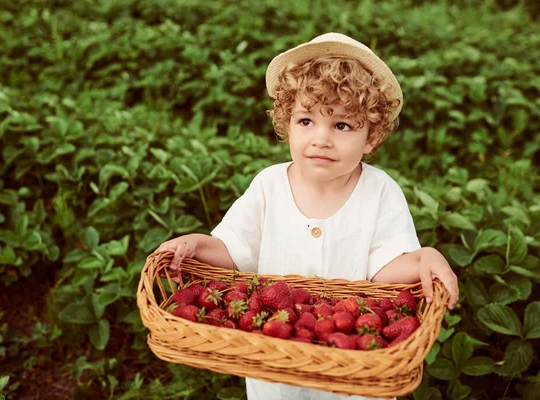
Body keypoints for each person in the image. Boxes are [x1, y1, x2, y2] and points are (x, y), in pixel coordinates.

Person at [155, 32, 459, 400]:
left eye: (342, 125)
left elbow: (387, 271)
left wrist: (425, 257)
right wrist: (195, 244)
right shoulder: (269, 186)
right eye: (306, 121)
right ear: (286, 122)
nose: (321, 139)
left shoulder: (380, 192)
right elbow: (232, 252)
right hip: (276, 363)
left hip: (354, 372)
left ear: (372, 137)